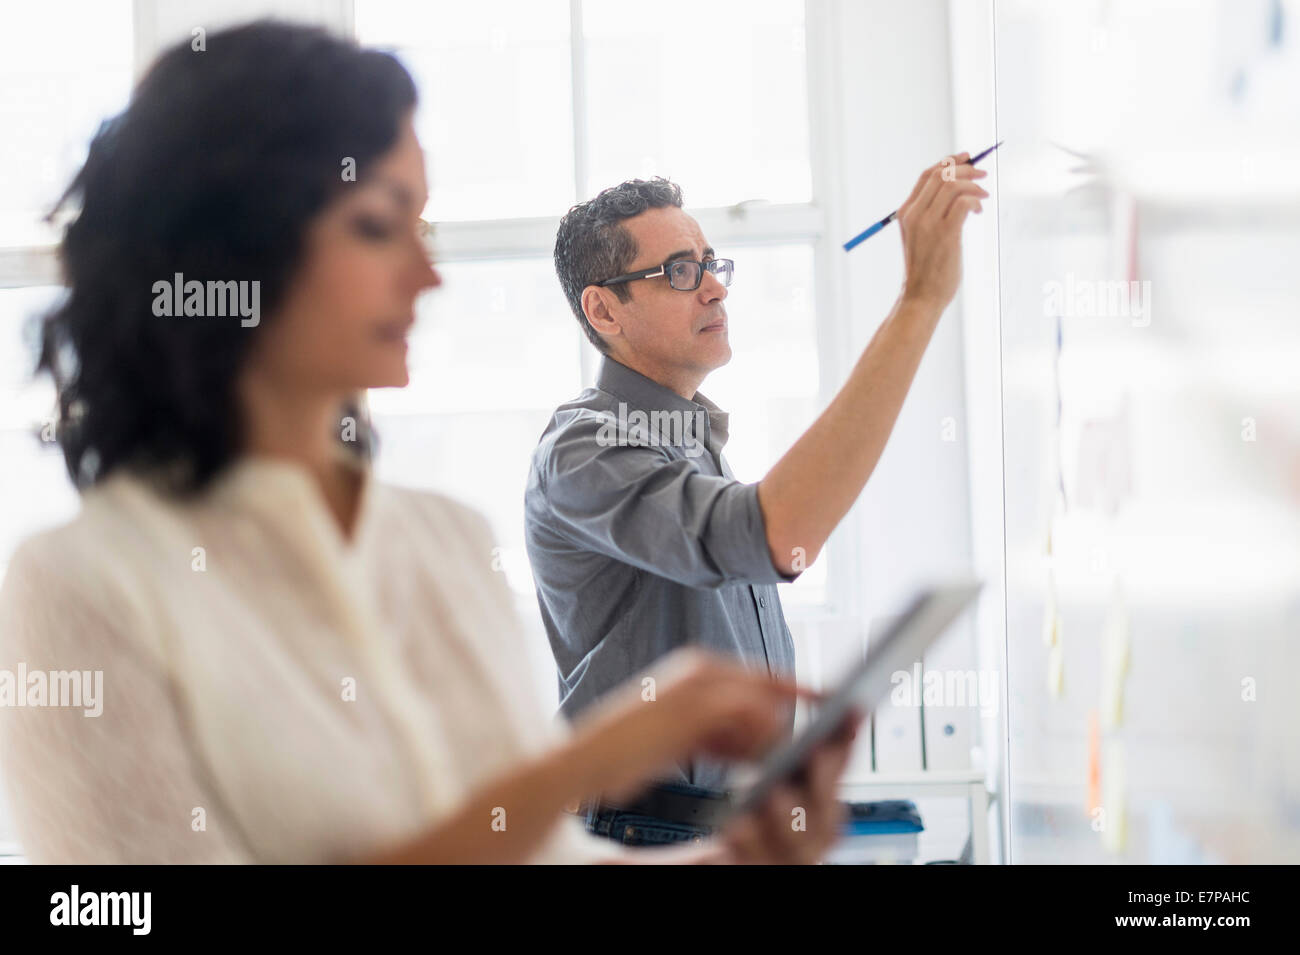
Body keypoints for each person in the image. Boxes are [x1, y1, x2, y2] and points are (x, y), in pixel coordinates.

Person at [0, 20, 859, 864]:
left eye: (424, 226)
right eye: (378, 226)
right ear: (230, 248)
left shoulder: (445, 541)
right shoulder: (80, 585)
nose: (428, 274)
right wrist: (590, 760)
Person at [527, 163, 986, 843]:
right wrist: (918, 300)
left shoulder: (690, 439)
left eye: (710, 264)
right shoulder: (584, 448)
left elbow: (782, 538)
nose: (714, 287)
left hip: (714, 821)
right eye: (679, 272)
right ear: (604, 310)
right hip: (643, 828)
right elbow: (776, 531)